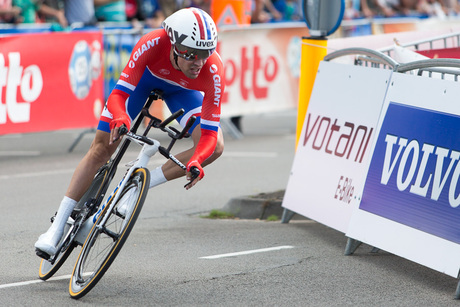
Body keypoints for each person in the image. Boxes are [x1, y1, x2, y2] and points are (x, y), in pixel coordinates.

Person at [34, 7, 225, 257]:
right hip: (143, 81)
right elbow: (118, 95)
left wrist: (198, 160)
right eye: (191, 54)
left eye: (205, 53)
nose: (199, 62)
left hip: (181, 91)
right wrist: (121, 117)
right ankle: (57, 227)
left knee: (217, 147)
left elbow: (209, 136)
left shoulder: (212, 70)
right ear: (174, 45)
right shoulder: (153, 43)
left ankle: (137, 187)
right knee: (102, 148)